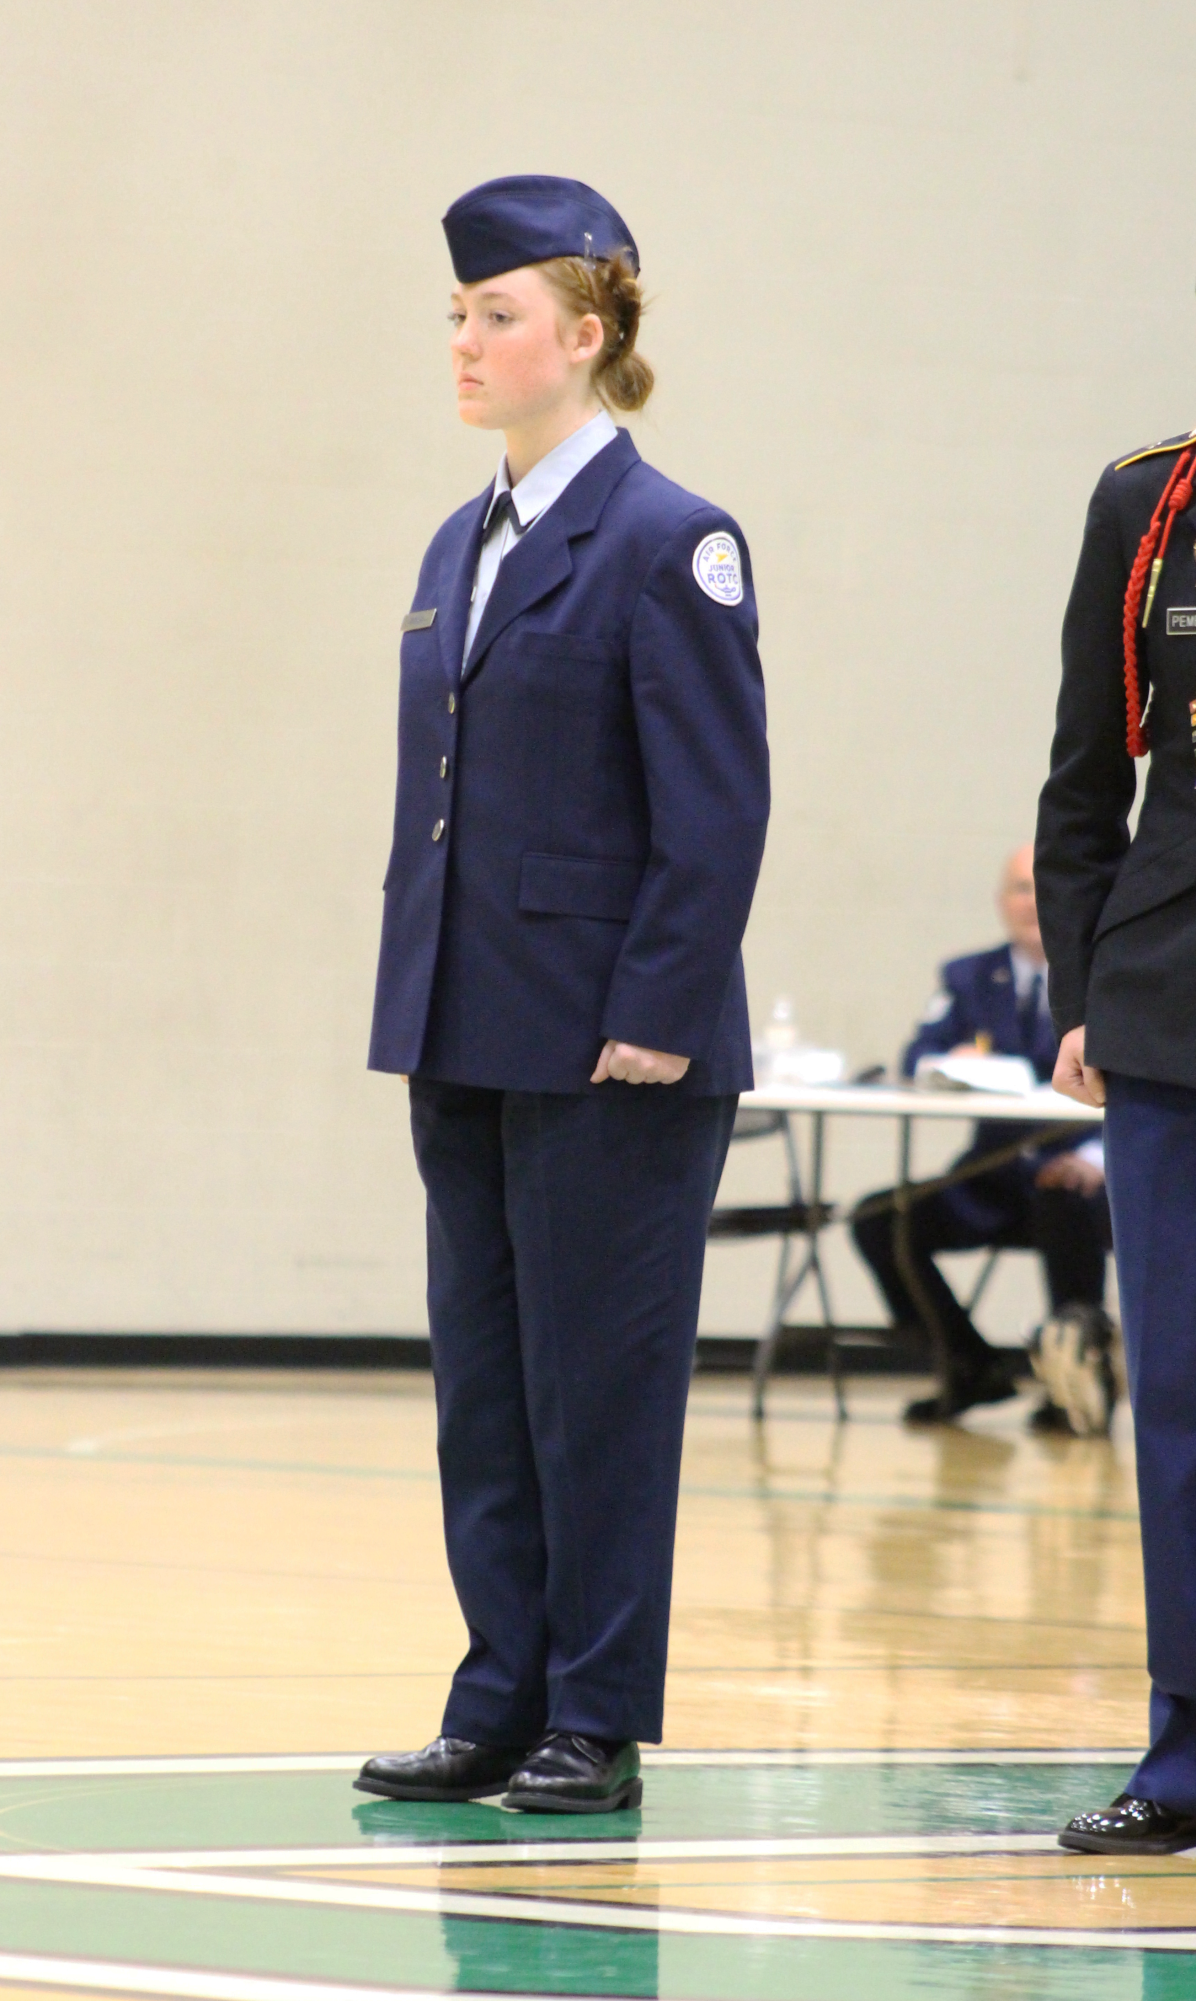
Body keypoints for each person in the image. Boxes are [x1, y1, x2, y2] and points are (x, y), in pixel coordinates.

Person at [354, 176, 769, 1814]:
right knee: (487, 1386)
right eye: (456, 316)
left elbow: (714, 807)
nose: (465, 342)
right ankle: (498, 1692)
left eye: (498, 315)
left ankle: (594, 1713)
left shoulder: (673, 542)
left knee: (598, 1396)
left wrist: (659, 1009)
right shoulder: (462, 539)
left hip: (616, 1044)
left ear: (587, 338)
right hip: (468, 1020)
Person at [1038, 424, 1196, 1857]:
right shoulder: (1153, 502)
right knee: (1185, 1403)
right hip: (1174, 1010)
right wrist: (1081, 995)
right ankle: (1188, 1753)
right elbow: (1088, 773)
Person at [852, 844, 1112, 1427]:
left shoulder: (1106, 973)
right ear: (1002, 902)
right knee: (880, 1220)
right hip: (991, 1176)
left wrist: (1097, 1159)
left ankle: (1079, 1386)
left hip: (1084, 1178)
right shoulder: (968, 976)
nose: (1033, 902)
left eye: (1045, 888)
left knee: (1062, 1195)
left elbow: (1131, 1082)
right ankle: (970, 1366)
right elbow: (917, 1055)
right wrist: (950, 1063)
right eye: (1021, 888)